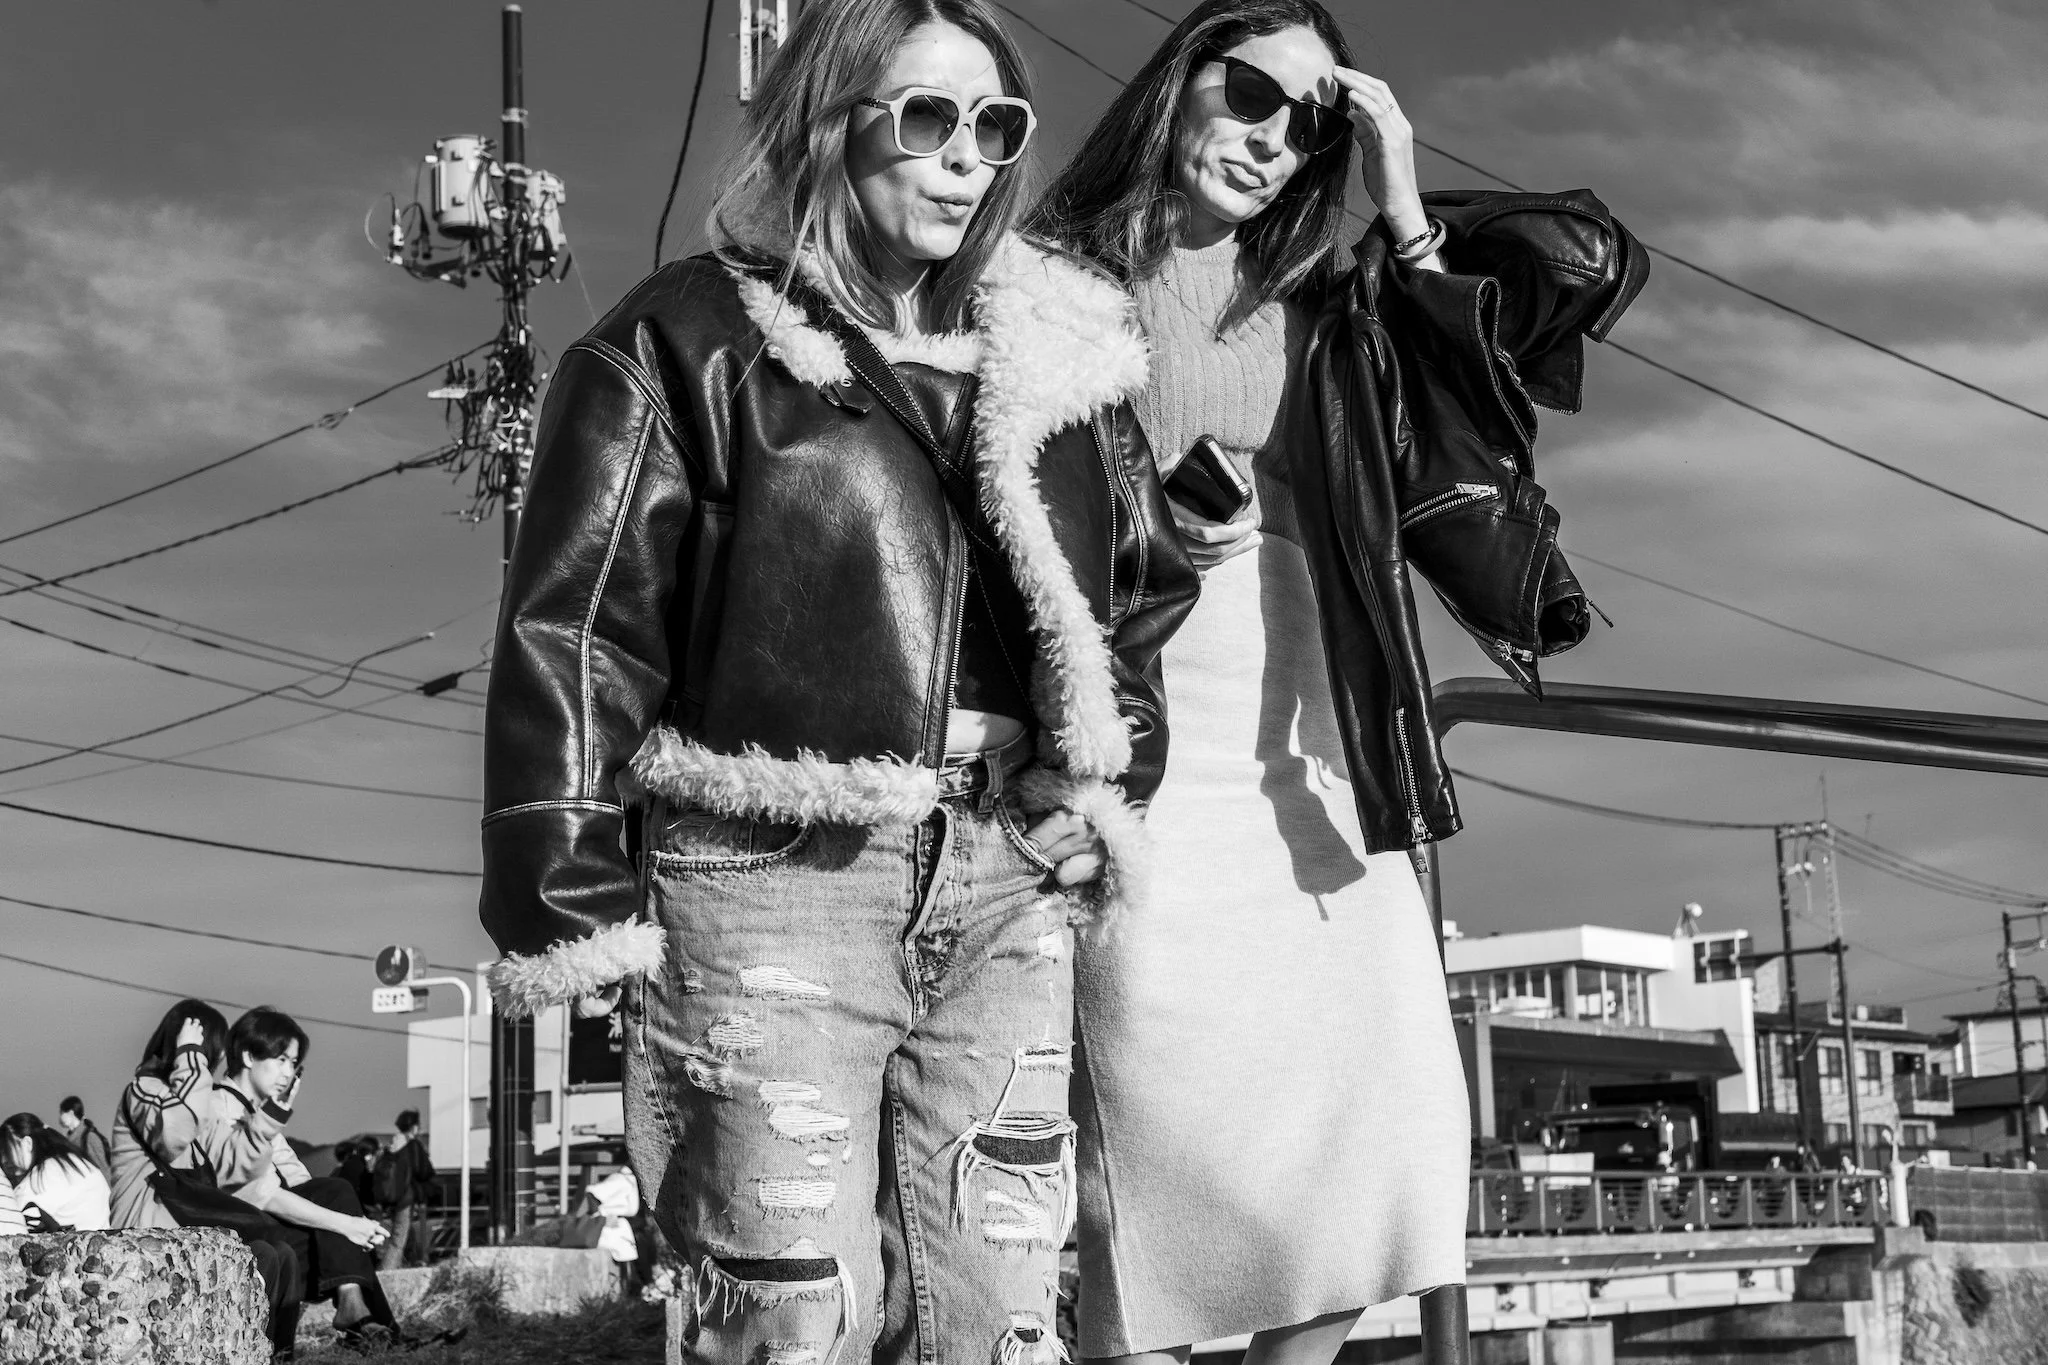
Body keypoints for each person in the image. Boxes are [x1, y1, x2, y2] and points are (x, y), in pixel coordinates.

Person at [476, 1, 1197, 1360]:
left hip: (1005, 875)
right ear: (827, 121)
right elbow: (578, 624)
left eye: (996, 125)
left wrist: (1105, 786)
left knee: (999, 1321)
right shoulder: (691, 338)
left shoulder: (1063, 358)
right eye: (926, 116)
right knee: (789, 1312)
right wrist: (565, 884)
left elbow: (1142, 594)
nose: (966, 155)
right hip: (770, 876)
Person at [1027, 3, 1647, 1362]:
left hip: (1309, 752)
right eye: (1250, 93)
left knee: (1379, 1152)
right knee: (1160, 1173)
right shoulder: (1040, 280)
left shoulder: (1331, 306)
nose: (1270, 138)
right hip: (1137, 751)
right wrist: (1149, 523)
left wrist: (1400, 191)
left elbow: (1505, 378)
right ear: (1178, 83)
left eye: (1309, 123)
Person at [198, 1007, 408, 1348]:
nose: (289, 1073)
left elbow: (298, 1177)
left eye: (294, 1063)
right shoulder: (219, 1106)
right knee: (337, 1202)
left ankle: (362, 1315)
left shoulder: (259, 1111)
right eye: (281, 1060)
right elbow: (258, 1193)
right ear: (249, 1056)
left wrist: (345, 1221)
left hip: (273, 1226)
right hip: (245, 1231)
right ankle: (367, 1320)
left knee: (336, 1198)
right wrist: (344, 1224)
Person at [112, 1000, 305, 1360]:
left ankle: (276, 1356)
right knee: (262, 1255)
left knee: (280, 1254)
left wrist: (269, 1119)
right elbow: (174, 1137)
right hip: (145, 1236)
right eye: (210, 1052)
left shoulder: (197, 1101)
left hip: (190, 1232)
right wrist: (190, 1056)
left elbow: (231, 1166)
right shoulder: (143, 1089)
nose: (213, 1062)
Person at [3, 1112, 112, 1231]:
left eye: (5, 1150)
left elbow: (10, 1222)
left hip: (80, 1240)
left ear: (27, 1143)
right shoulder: (73, 1161)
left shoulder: (45, 1175)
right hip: (103, 1236)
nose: (3, 1160)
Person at [370, 1109, 435, 1270]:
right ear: (413, 1126)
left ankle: (404, 1264)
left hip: (389, 1198)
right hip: (406, 1197)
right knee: (398, 1240)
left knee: (397, 1234)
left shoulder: (391, 1145)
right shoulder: (413, 1146)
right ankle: (387, 1272)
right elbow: (424, 1171)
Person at [56, 1096, 115, 1183]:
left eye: (61, 1113)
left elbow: (103, 1170)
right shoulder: (71, 1139)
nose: (60, 1117)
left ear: (71, 1113)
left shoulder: (90, 1137)